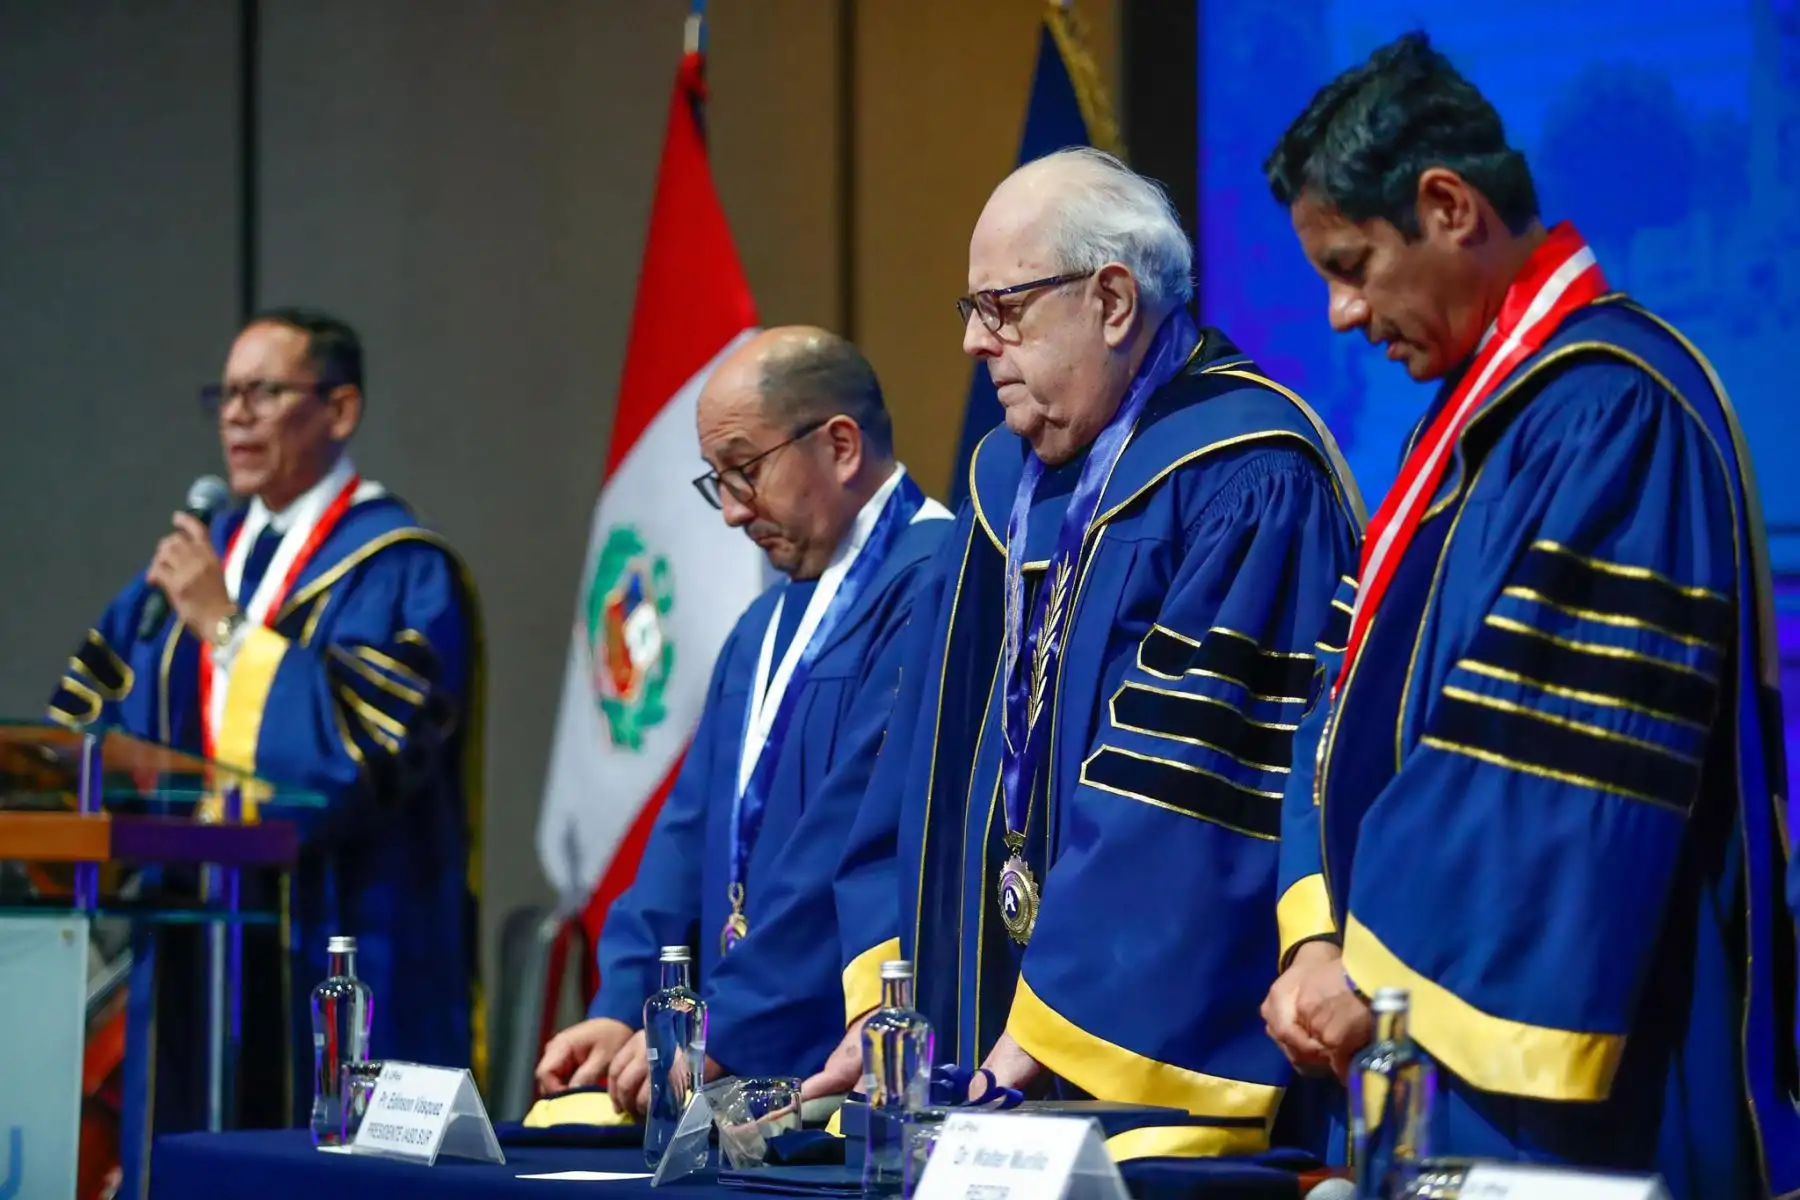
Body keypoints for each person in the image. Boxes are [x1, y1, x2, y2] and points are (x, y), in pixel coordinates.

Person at [1258, 33, 1799, 1197]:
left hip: (1593, 1084)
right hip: (1420, 1057)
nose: (1342, 314)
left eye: (1351, 265)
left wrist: (1373, 973)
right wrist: (1314, 936)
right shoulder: (1462, 430)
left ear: (1448, 206)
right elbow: (1338, 696)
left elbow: (1549, 766)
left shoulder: (1614, 412)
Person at [814, 147, 1365, 1158]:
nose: (977, 345)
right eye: (970, 311)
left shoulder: (1244, 477)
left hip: (1135, 1090)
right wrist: (880, 1001)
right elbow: (911, 779)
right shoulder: (1001, 496)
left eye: (1004, 308)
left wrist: (1041, 1032)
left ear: (1113, 301)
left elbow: (1194, 798)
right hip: (977, 1079)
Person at [50, 307, 483, 1192]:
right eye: (227, 394)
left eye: (265, 392)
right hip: (193, 953)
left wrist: (224, 628)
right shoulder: (177, 575)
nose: (237, 416)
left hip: (345, 944)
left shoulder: (399, 570)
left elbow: (351, 764)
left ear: (341, 408)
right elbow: (85, 742)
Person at [533, 326, 952, 1116]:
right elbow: (688, 831)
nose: (729, 512)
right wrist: (625, 1003)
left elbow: (852, 837)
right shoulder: (763, 626)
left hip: (841, 1071)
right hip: (728, 1065)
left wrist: (730, 1022)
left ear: (839, 446)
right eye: (715, 481)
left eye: (745, 471)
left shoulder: (934, 586)